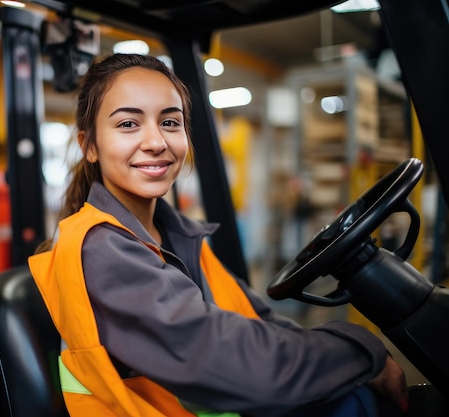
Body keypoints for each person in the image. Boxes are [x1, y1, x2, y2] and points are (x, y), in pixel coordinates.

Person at [28, 53, 409, 417]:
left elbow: (256, 320)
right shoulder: (102, 249)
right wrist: (362, 351)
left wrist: (338, 355)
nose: (157, 141)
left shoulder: (175, 236)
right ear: (89, 146)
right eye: (128, 124)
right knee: (355, 404)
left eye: (170, 122)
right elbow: (228, 360)